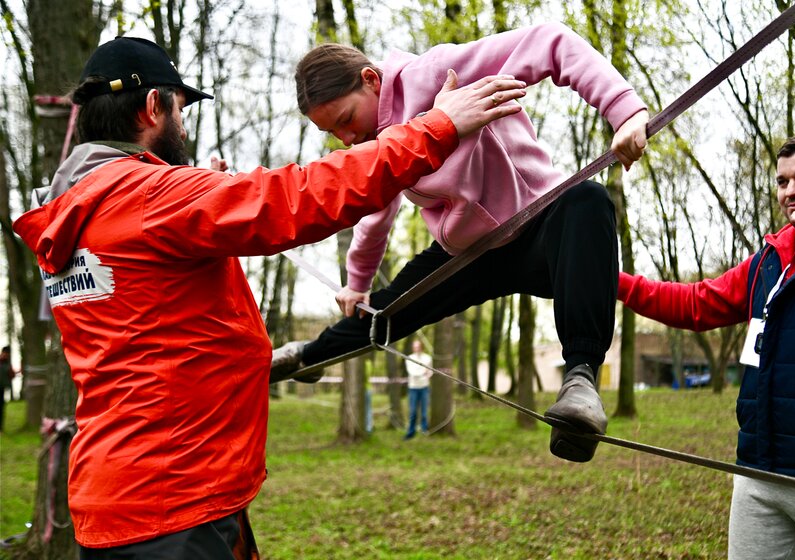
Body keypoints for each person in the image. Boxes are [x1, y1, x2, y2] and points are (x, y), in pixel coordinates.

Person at [11, 35, 527, 558]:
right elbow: (297, 197)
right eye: (181, 111)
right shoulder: (149, 199)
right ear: (152, 107)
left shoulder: (74, 212)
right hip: (175, 505)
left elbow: (155, 325)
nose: (184, 126)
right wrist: (434, 129)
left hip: (115, 496)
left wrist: (201, 202)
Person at [273, 22, 650, 462]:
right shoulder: (380, 143)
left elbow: (551, 42)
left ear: (371, 80)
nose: (348, 138)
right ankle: (308, 357)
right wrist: (357, 282)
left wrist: (623, 112)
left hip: (538, 228)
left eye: (346, 120)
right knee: (383, 310)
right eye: (334, 134)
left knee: (588, 199)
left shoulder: (437, 72)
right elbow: (377, 212)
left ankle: (581, 381)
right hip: (468, 253)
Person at [616, 133, 795, 560]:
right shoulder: (771, 259)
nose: (790, 191)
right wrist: (608, 281)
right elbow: (694, 304)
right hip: (759, 476)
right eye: (782, 181)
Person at [403, 339, 433, 439]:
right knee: (413, 412)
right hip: (413, 388)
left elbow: (430, 372)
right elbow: (412, 373)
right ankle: (411, 432)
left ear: (421, 347)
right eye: (414, 347)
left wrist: (425, 373)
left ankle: (424, 430)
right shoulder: (409, 358)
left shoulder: (427, 358)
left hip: (424, 387)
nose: (416, 348)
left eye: (418, 346)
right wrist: (422, 373)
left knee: (424, 411)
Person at [0, 346, 14, 431]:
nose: (5, 355)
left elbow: (11, 376)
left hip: (2, 389)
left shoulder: (8, 364)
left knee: (1, 409)